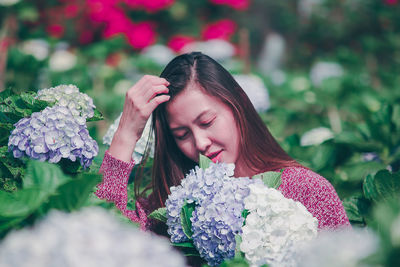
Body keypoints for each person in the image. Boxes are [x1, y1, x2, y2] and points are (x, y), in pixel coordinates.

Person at [95, 52, 350, 235]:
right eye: (182, 135)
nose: (201, 143)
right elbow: (103, 231)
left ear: (237, 104)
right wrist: (125, 136)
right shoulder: (172, 209)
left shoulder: (306, 190)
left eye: (207, 122)